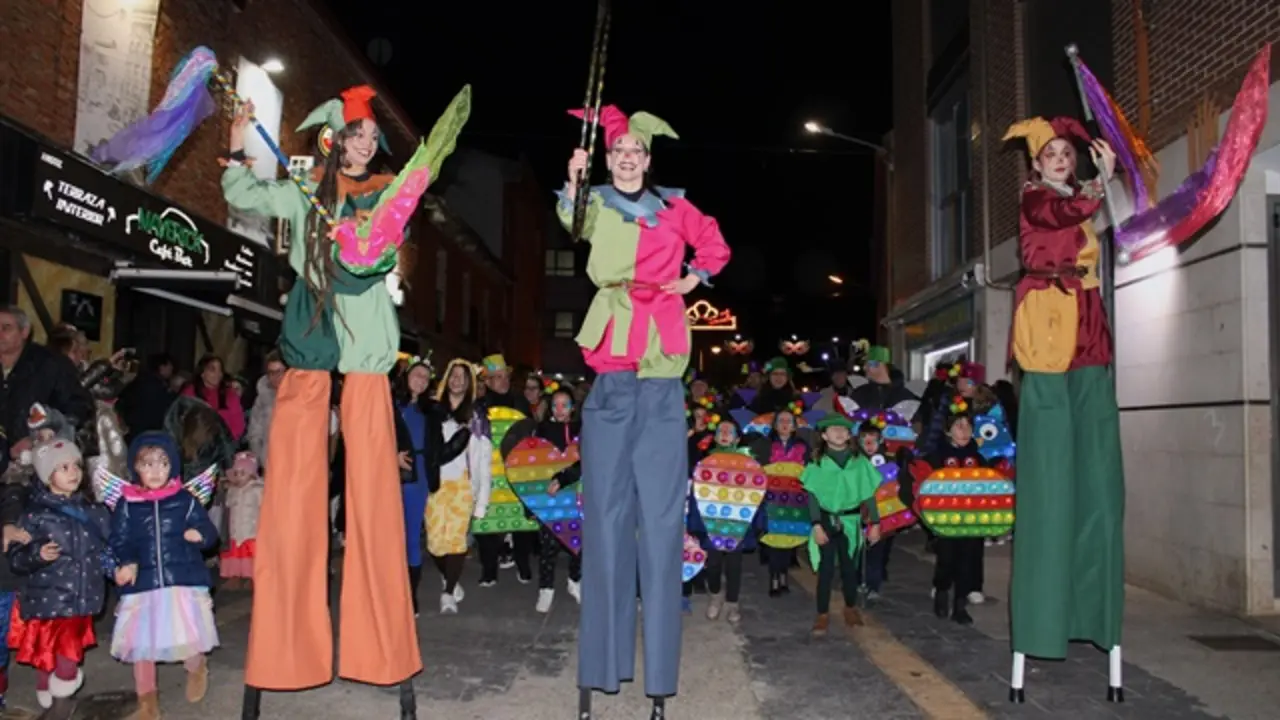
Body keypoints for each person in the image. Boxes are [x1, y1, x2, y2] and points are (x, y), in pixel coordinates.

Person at [223, 83, 467, 708]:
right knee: (293, 503)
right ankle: (283, 655)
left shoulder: (384, 193)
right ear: (334, 141)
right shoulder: (305, 193)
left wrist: (366, 240)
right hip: (310, 345)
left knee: (375, 505)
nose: (364, 144)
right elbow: (243, 193)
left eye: (370, 137)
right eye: (355, 135)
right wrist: (238, 138)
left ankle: (382, 649)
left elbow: (385, 248)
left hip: (364, 356)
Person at [559, 103, 730, 718]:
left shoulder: (675, 207)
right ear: (610, 157)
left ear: (649, 159)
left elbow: (715, 246)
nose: (627, 156)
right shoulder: (596, 201)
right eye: (618, 150)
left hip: (660, 377)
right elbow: (570, 224)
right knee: (603, 521)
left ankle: (660, 678)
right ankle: (601, 669)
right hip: (610, 374)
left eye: (636, 150)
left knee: (660, 526)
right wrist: (575, 181)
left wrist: (696, 278)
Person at [1002, 116, 1124, 662]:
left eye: (1066, 154)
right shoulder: (1035, 198)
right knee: (1051, 474)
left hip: (1086, 327)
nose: (1060, 159)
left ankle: (1093, 612)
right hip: (1048, 325)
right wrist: (1102, 181)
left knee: (1097, 474)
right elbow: (1062, 212)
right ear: (1035, 163)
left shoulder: (1081, 198)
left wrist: (1103, 184)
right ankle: (1042, 621)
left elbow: (1087, 221)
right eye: (1051, 153)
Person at [105, 432, 219, 720]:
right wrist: (127, 562)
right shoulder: (127, 503)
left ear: (173, 467)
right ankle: (147, 700)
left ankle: (196, 667)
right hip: (142, 582)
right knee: (141, 642)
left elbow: (209, 531)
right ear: (136, 468)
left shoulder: (185, 500)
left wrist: (201, 535)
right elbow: (119, 540)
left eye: (163, 463)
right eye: (148, 464)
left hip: (181, 578)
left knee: (187, 633)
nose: (155, 471)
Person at [7, 438, 109, 718]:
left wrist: (120, 568)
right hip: (44, 597)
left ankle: (62, 702)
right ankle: (49, 699)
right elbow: (16, 558)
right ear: (46, 474)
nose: (73, 472)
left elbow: (107, 550)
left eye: (76, 466)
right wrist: (37, 554)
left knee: (67, 652)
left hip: (79, 596)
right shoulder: (34, 516)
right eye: (63, 467)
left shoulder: (94, 512)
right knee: (45, 655)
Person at [801, 415, 882, 637]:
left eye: (843, 430)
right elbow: (813, 497)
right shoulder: (817, 463)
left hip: (851, 521)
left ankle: (850, 607)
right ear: (824, 436)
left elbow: (869, 494)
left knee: (850, 568)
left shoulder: (859, 462)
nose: (839, 433)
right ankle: (822, 613)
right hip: (826, 520)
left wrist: (874, 523)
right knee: (826, 569)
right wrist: (816, 525)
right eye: (833, 429)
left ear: (849, 435)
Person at [426, 359, 490, 614]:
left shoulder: (476, 416)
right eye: (454, 375)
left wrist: (482, 500)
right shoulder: (432, 409)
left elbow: (484, 461)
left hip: (462, 485)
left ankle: (448, 592)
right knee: (434, 543)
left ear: (470, 383)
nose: (458, 380)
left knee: (455, 542)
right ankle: (449, 576)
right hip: (435, 484)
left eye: (464, 376)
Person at [533, 388, 583, 613]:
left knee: (579, 542)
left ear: (573, 407)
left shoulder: (583, 430)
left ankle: (575, 580)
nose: (560, 410)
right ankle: (546, 589)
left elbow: (587, 460)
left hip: (577, 493)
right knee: (548, 545)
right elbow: (532, 464)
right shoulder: (542, 430)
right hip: (549, 496)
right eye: (555, 405)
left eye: (565, 404)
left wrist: (565, 478)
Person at [220, 451, 264, 590]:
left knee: (252, 554)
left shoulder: (258, 489)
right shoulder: (233, 490)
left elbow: (264, 508)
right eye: (236, 474)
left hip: (252, 531)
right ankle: (235, 576)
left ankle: (253, 577)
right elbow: (227, 507)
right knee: (235, 553)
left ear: (251, 474)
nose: (239, 477)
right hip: (235, 529)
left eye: (242, 473)